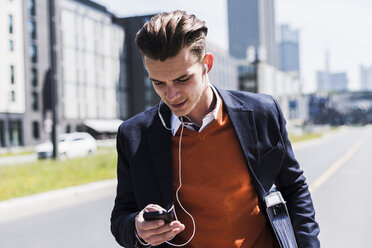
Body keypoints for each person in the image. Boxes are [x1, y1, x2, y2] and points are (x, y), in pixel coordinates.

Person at [111, 10, 320, 248]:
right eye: (158, 83)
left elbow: (294, 188)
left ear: (206, 65)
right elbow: (121, 218)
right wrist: (137, 227)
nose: (171, 95)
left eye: (182, 79)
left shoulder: (262, 112)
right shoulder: (134, 135)